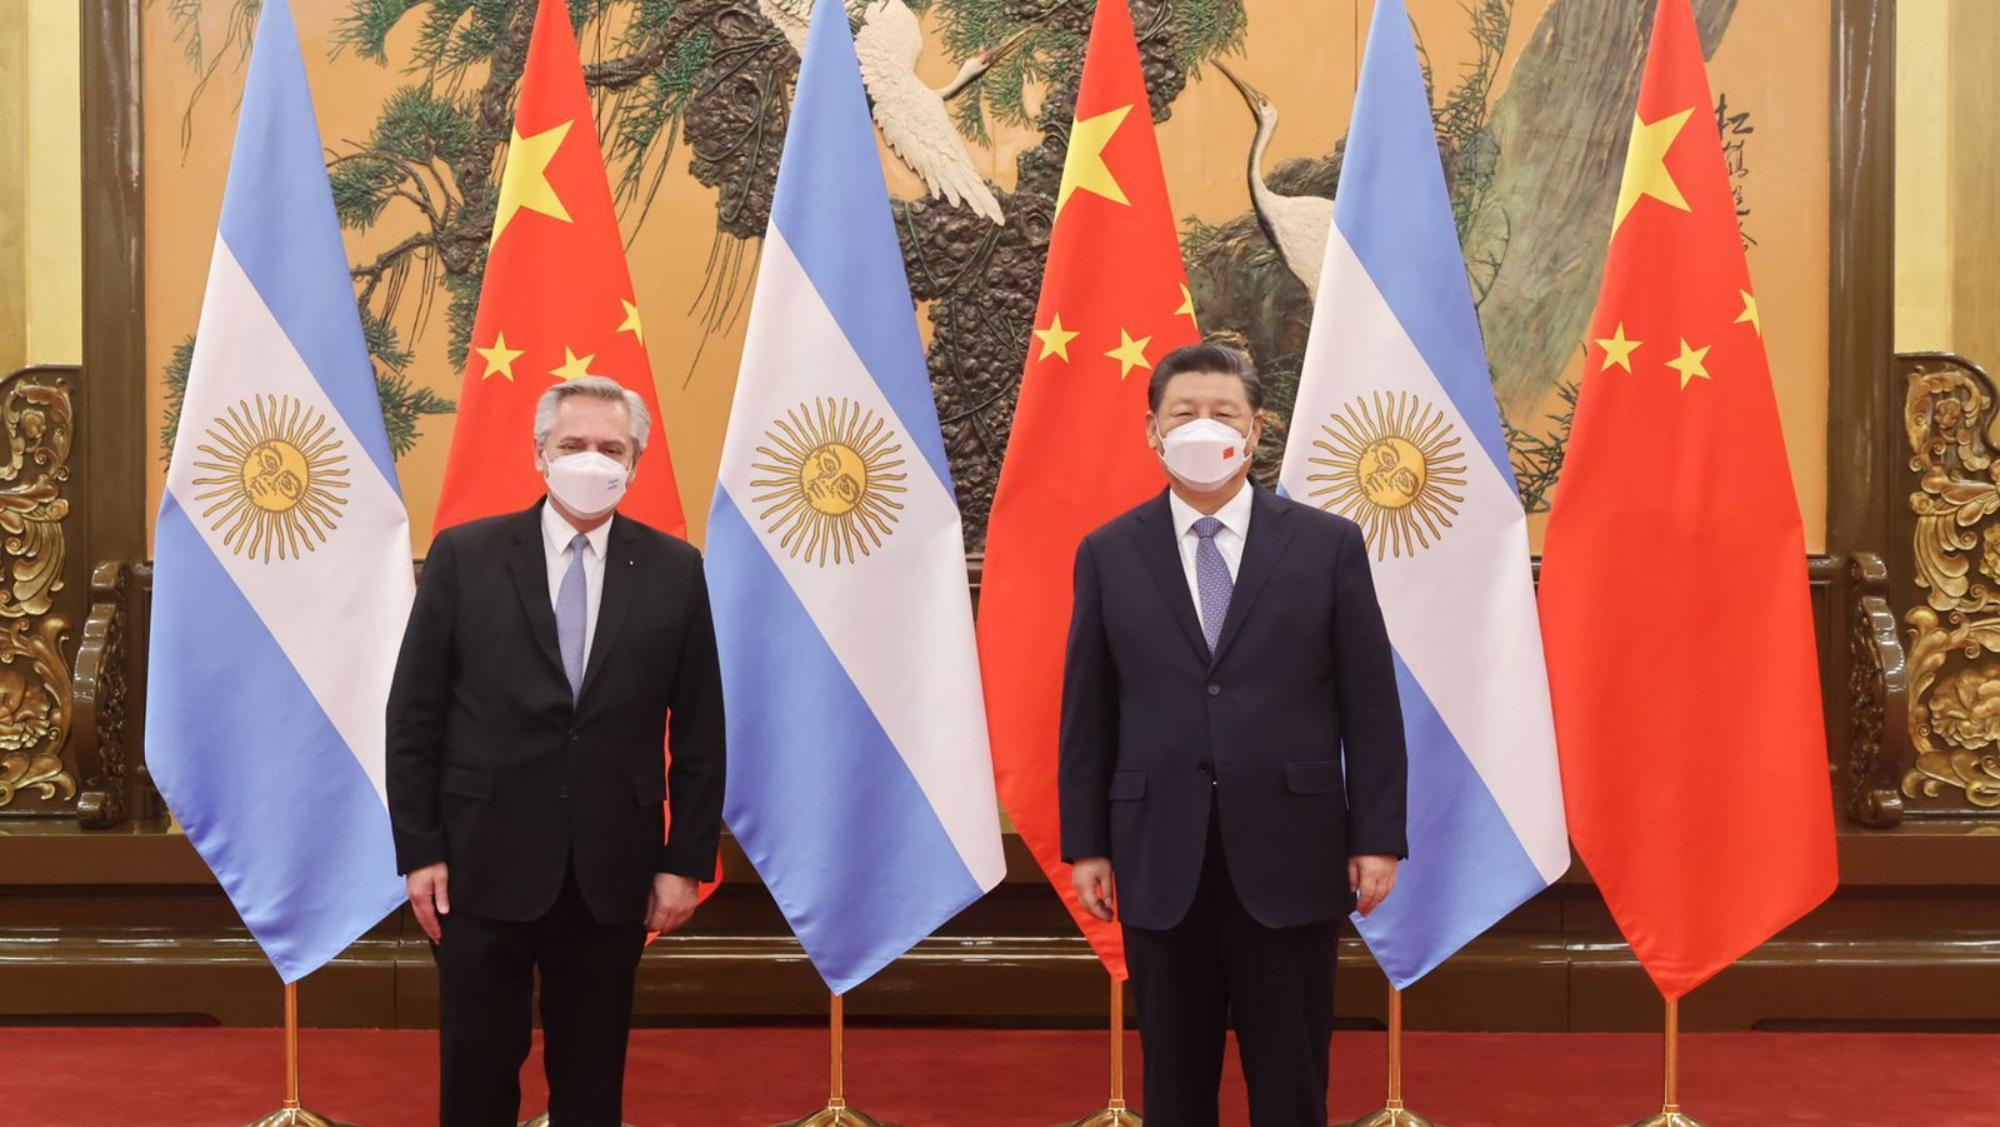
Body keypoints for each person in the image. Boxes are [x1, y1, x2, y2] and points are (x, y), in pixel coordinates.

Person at [1059, 342, 1408, 1127]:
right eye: (1184, 414)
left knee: (1290, 1080)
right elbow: (1089, 711)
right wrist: (1086, 843)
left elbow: (1371, 703)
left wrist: (1378, 835)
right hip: (1158, 854)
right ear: (1152, 431)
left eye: (1224, 413)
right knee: (1175, 1087)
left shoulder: (1327, 545)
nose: (1203, 428)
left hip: (1293, 850)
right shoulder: (1109, 553)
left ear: (1256, 433)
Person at [387, 376, 725, 1127]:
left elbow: (702, 730)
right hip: (477, 862)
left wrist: (684, 860)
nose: (592, 459)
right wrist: (419, 848)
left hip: (612, 869)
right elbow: (413, 715)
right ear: (540, 453)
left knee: (592, 1077)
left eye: (611, 447)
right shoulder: (464, 556)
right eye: (574, 444)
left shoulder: (676, 570)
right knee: (476, 1071)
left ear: (635, 461)